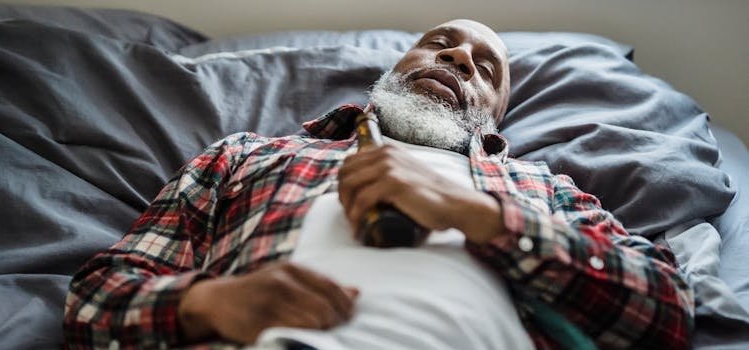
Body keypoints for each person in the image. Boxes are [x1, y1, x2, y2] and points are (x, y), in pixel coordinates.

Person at [63, 19, 694, 349]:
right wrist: (206, 304)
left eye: (485, 67)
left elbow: (665, 313)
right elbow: (95, 303)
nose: (457, 60)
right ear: (396, 69)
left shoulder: (542, 191)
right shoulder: (246, 156)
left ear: (497, 113)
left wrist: (482, 216)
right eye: (438, 44)